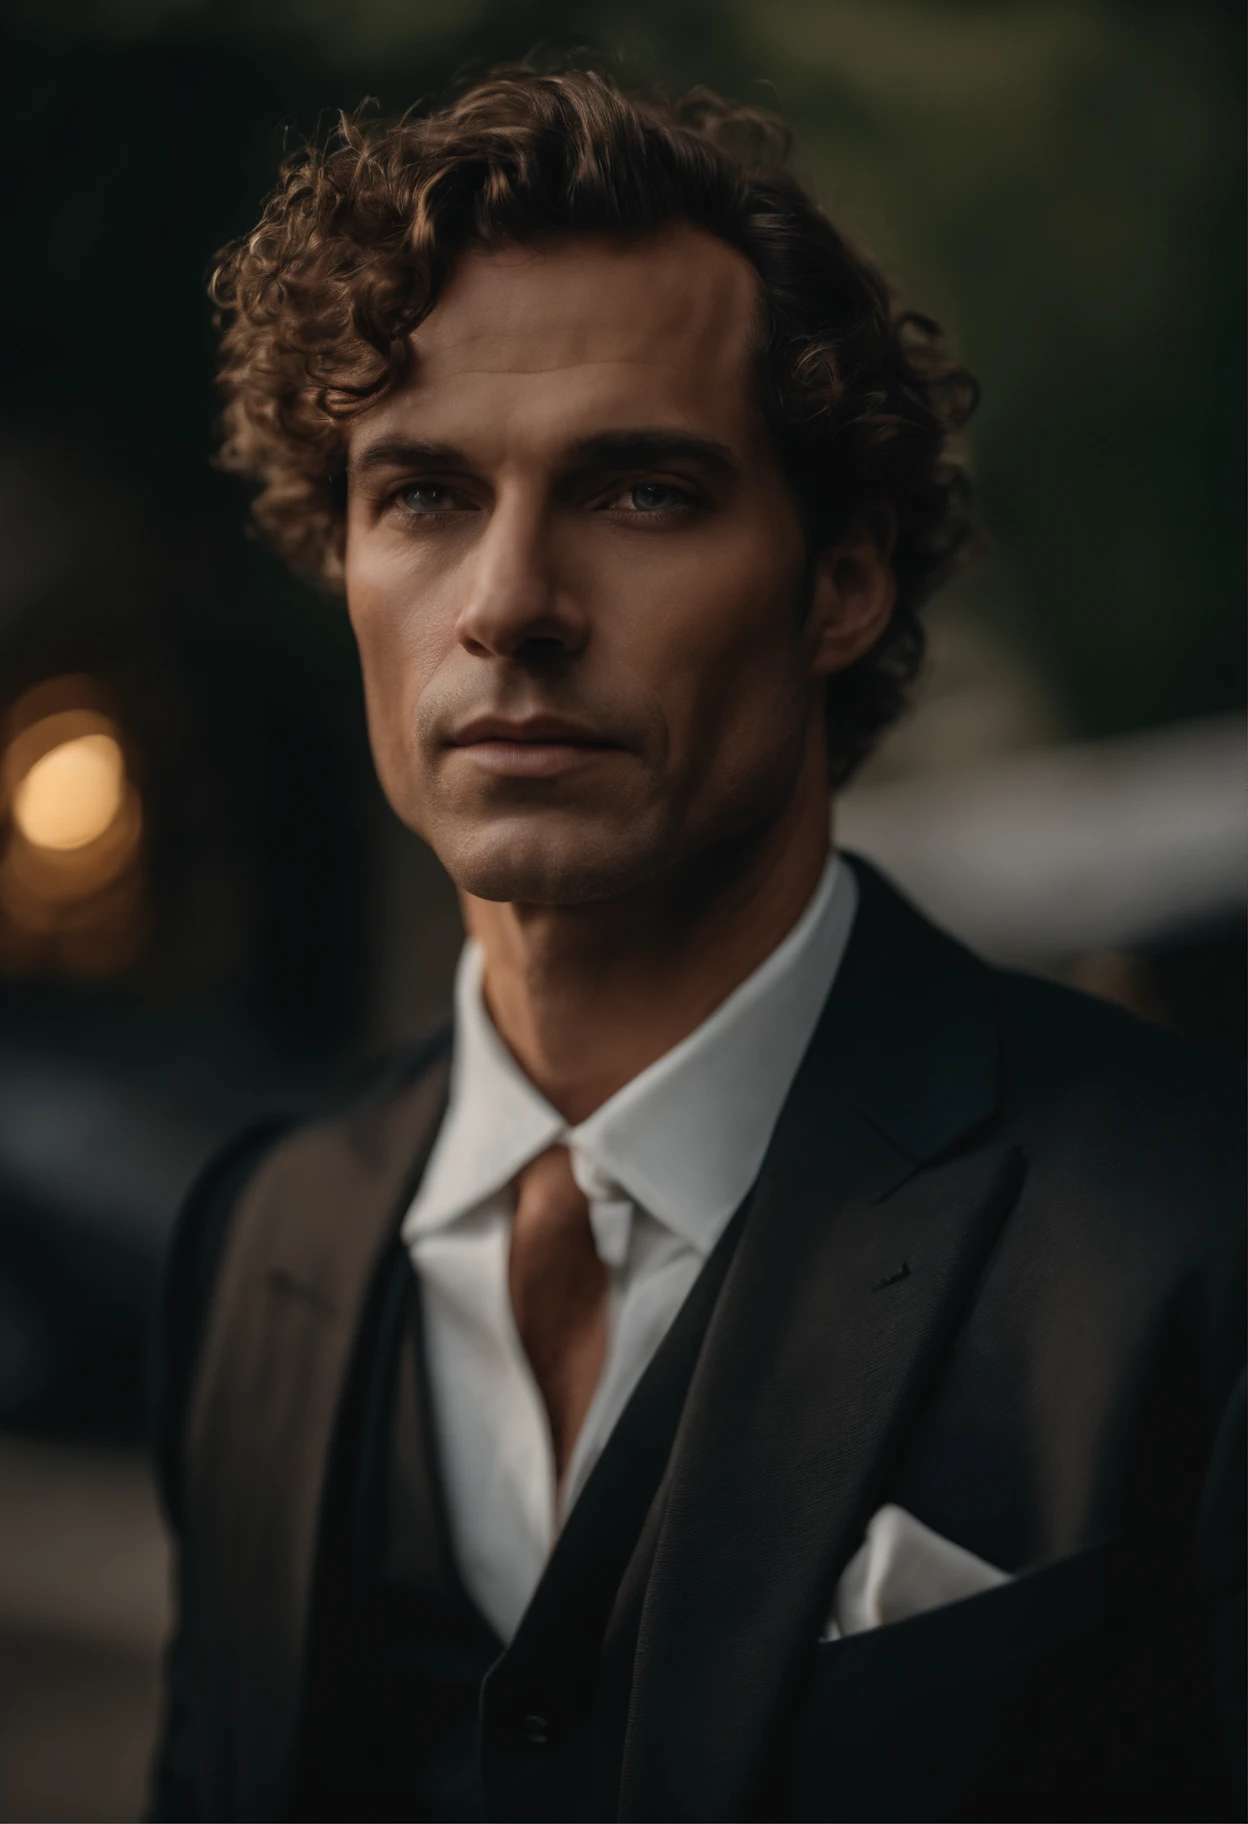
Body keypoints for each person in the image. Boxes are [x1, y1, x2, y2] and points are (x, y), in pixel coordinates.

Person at [150, 66, 1244, 1824]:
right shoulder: (262, 1243)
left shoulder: (1196, 1238)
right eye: (423, 494)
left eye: (641, 491)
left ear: (844, 584)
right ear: (337, 553)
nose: (508, 604)